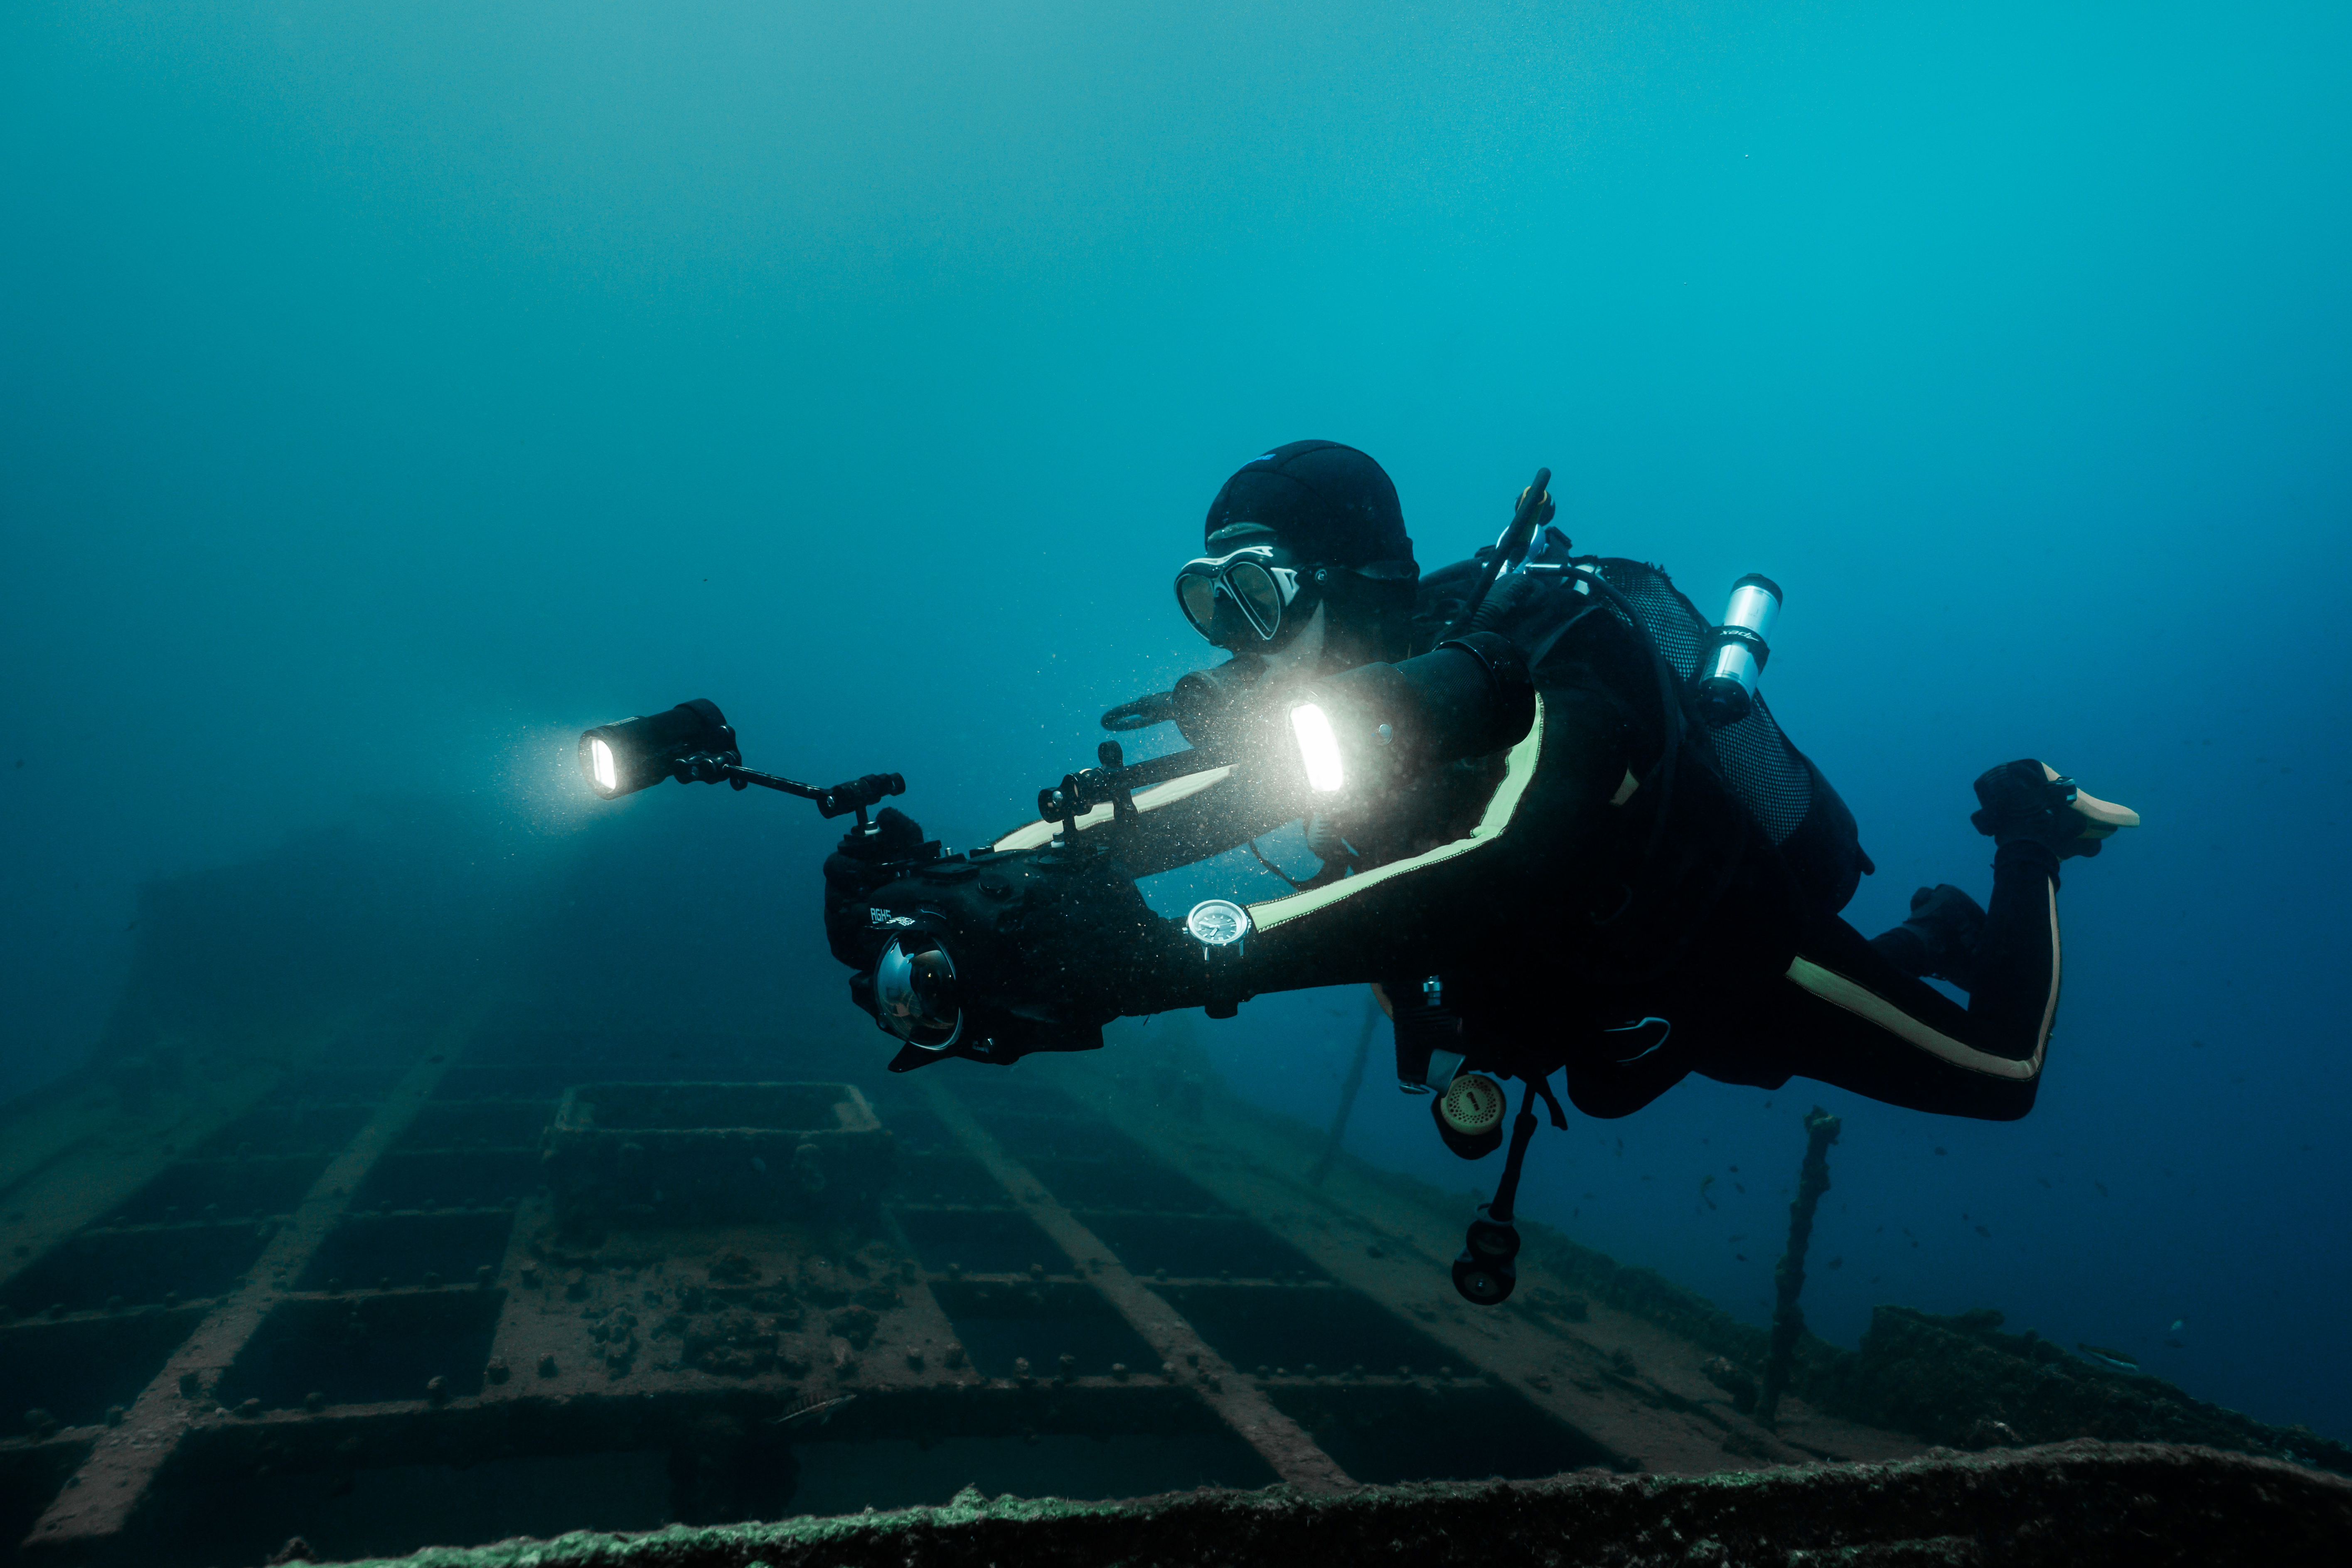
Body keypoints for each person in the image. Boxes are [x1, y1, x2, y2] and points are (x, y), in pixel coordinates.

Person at [825, 440, 2136, 1155]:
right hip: (1594, 997)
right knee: (1656, 1076)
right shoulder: (1341, 713)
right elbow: (1183, 806)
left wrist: (1176, 956)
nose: (1236, 638)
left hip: (1729, 944)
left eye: (1260, 595)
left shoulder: (1552, 659)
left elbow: (1505, 860)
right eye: (1210, 601)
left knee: (1993, 1078)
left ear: (1345, 579)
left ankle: (2028, 837)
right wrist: (954, 885)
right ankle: (1926, 939)